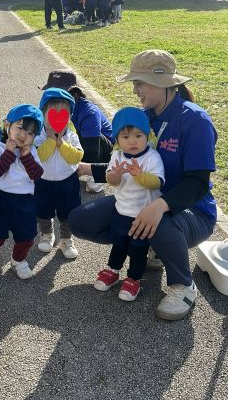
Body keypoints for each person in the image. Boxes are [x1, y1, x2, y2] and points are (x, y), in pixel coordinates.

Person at [71, 50, 218, 320]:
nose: (135, 90)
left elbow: (198, 184)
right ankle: (149, 245)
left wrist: (160, 205)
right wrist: (87, 168)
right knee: (80, 220)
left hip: (192, 211)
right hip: (143, 199)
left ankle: (183, 285)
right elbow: (126, 164)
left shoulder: (195, 120)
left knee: (158, 221)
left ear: (161, 82)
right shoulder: (144, 116)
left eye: (139, 83)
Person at [93, 107, 165, 302]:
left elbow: (158, 182)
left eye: (138, 136)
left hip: (143, 216)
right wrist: (115, 175)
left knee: (138, 250)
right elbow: (111, 179)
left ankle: (134, 279)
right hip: (121, 211)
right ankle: (113, 270)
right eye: (125, 137)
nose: (132, 141)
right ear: (117, 139)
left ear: (147, 136)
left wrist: (141, 176)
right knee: (119, 244)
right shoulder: (117, 156)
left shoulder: (152, 157)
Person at [0, 104, 45, 280]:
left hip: (24, 201)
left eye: (30, 133)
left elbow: (37, 175)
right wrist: (8, 153)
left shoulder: (32, 151)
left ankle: (18, 260)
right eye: (20, 128)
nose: (24, 135)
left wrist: (26, 157)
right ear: (7, 125)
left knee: (26, 237)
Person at [41, 71, 113, 193]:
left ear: (74, 94)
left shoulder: (89, 113)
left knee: (89, 137)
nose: (53, 99)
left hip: (101, 150)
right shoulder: (51, 109)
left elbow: (93, 147)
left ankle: (92, 175)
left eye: (60, 95)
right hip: (79, 141)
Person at [34, 87, 83, 259]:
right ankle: (47, 234)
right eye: (53, 114)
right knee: (43, 211)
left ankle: (66, 239)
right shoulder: (38, 136)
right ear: (43, 114)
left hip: (67, 181)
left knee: (67, 212)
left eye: (64, 115)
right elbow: (38, 157)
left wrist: (62, 144)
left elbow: (76, 157)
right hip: (43, 181)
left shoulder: (71, 136)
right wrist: (50, 141)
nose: (59, 119)